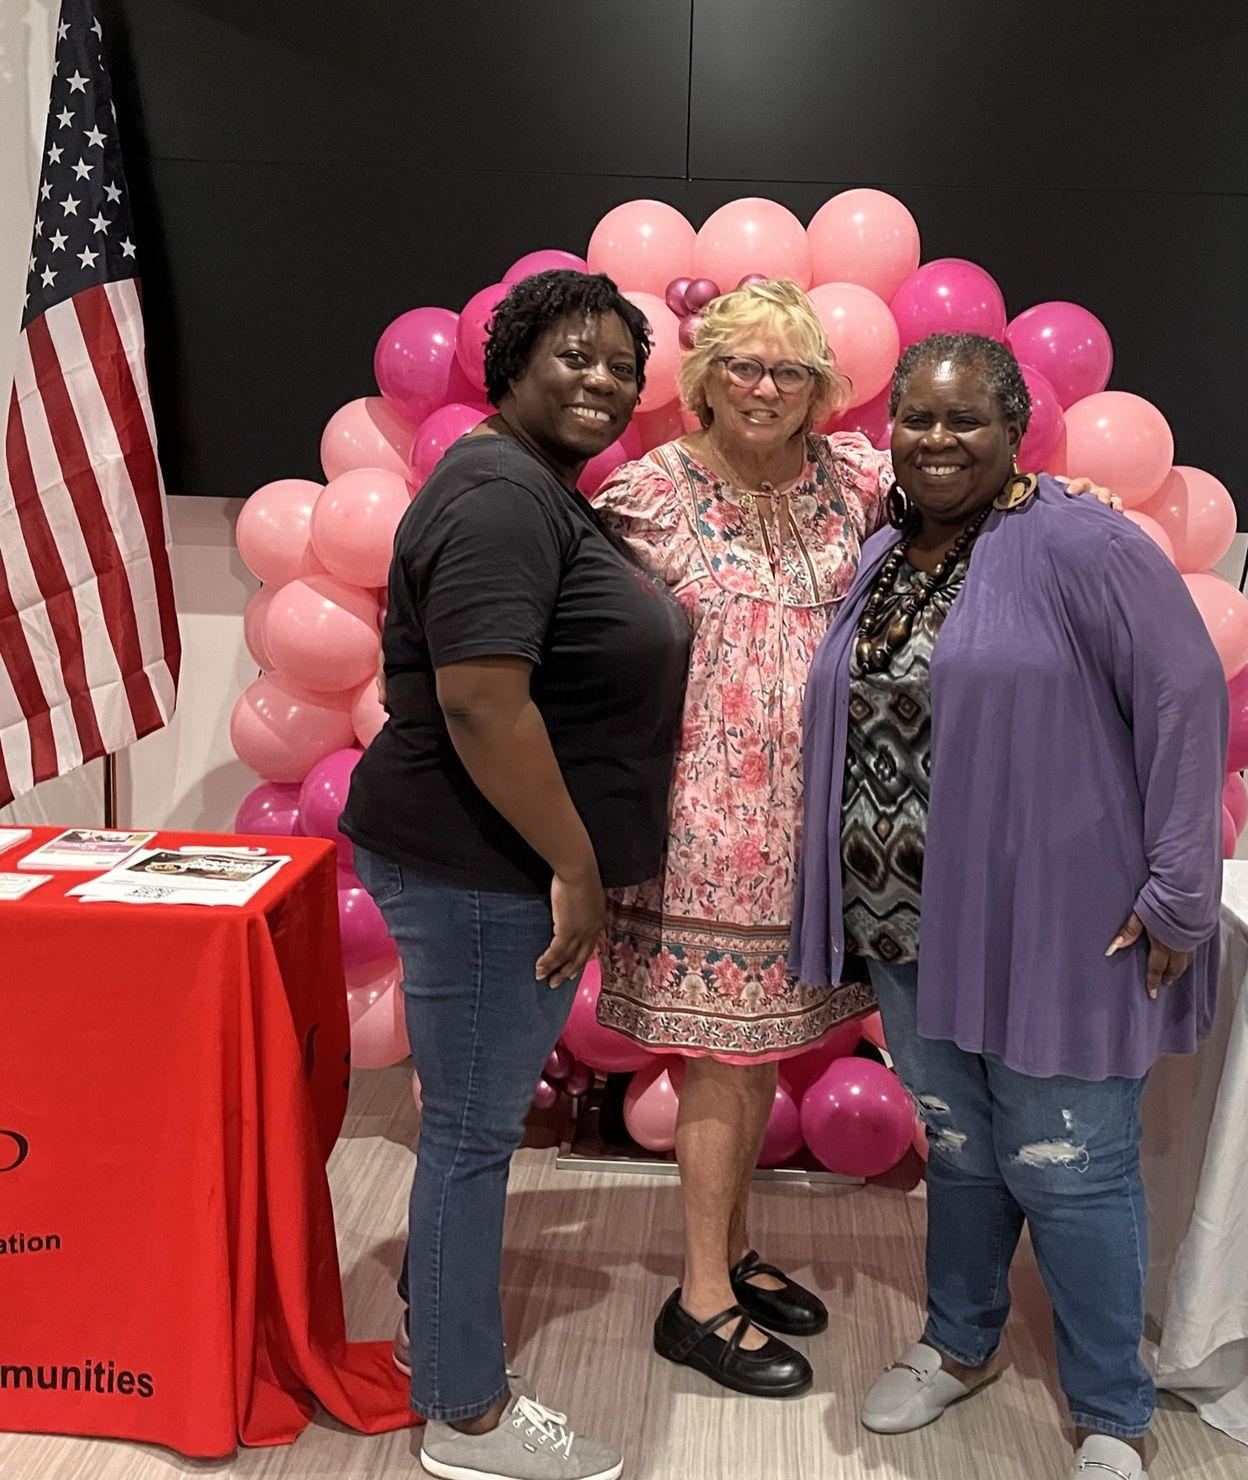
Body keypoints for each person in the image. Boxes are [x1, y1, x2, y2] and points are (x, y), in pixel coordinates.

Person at [590, 282, 1117, 1399]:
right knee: (723, 1062)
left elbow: (986, 494)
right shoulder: (645, 494)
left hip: (833, 826)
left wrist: (1077, 502)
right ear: (706, 375)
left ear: (824, 387)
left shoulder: (859, 480)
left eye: (789, 370)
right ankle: (699, 1301)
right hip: (707, 832)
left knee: (759, 1051)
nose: (765, 387)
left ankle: (729, 1253)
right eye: (742, 364)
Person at [789, 333, 1228, 1480]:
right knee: (962, 1146)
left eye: (963, 421)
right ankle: (960, 1339)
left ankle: (1112, 1410)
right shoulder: (885, 548)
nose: (935, 441)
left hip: (1061, 919)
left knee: (1071, 1158)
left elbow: (1186, 702)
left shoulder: (1086, 543)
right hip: (905, 918)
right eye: (916, 420)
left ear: (1014, 427)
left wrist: (1180, 890)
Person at [341, 271, 691, 1480]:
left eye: (620, 366)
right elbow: (484, 704)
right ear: (510, 365)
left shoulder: (535, 487)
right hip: (485, 870)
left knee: (470, 1129)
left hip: (488, 863)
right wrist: (576, 865)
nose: (600, 380)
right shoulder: (499, 493)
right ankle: (464, 1411)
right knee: (476, 1136)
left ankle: (433, 1336)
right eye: (574, 356)